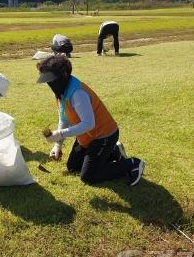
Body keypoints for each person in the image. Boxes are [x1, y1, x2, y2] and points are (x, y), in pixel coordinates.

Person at [36, 55, 144, 185]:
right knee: (73, 167)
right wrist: (57, 145)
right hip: (87, 136)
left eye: (52, 80)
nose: (50, 84)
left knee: (88, 176)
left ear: (64, 75)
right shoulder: (62, 92)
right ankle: (113, 152)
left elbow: (89, 124)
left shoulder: (77, 93)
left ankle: (132, 164)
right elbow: (63, 118)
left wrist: (60, 134)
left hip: (103, 136)